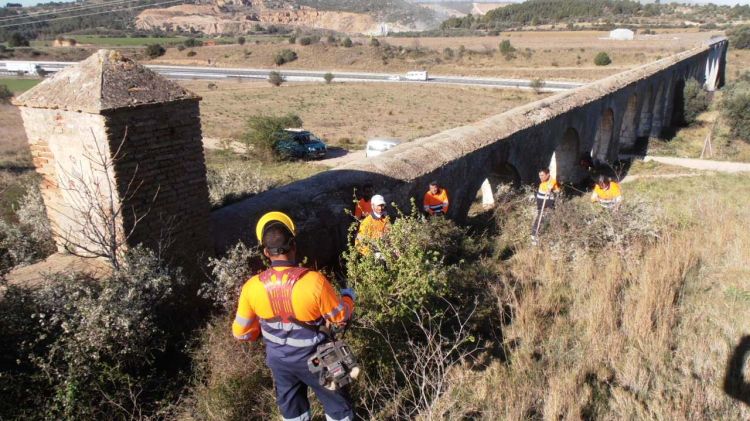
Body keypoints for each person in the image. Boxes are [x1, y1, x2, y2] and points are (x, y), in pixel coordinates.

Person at [232, 211, 356, 421]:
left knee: (293, 412)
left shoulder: (251, 287)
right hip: (316, 360)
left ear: (265, 252)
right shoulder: (314, 281)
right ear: (294, 246)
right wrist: (348, 298)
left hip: (279, 361)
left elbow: (240, 333)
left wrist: (263, 333)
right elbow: (339, 317)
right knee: (338, 407)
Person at [531, 168, 560, 244]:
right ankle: (535, 234)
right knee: (541, 216)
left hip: (548, 201)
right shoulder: (542, 182)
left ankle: (540, 234)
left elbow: (557, 190)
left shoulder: (552, 181)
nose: (540, 177)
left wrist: (552, 189)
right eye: (539, 175)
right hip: (542, 202)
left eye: (542, 175)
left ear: (548, 175)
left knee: (547, 216)